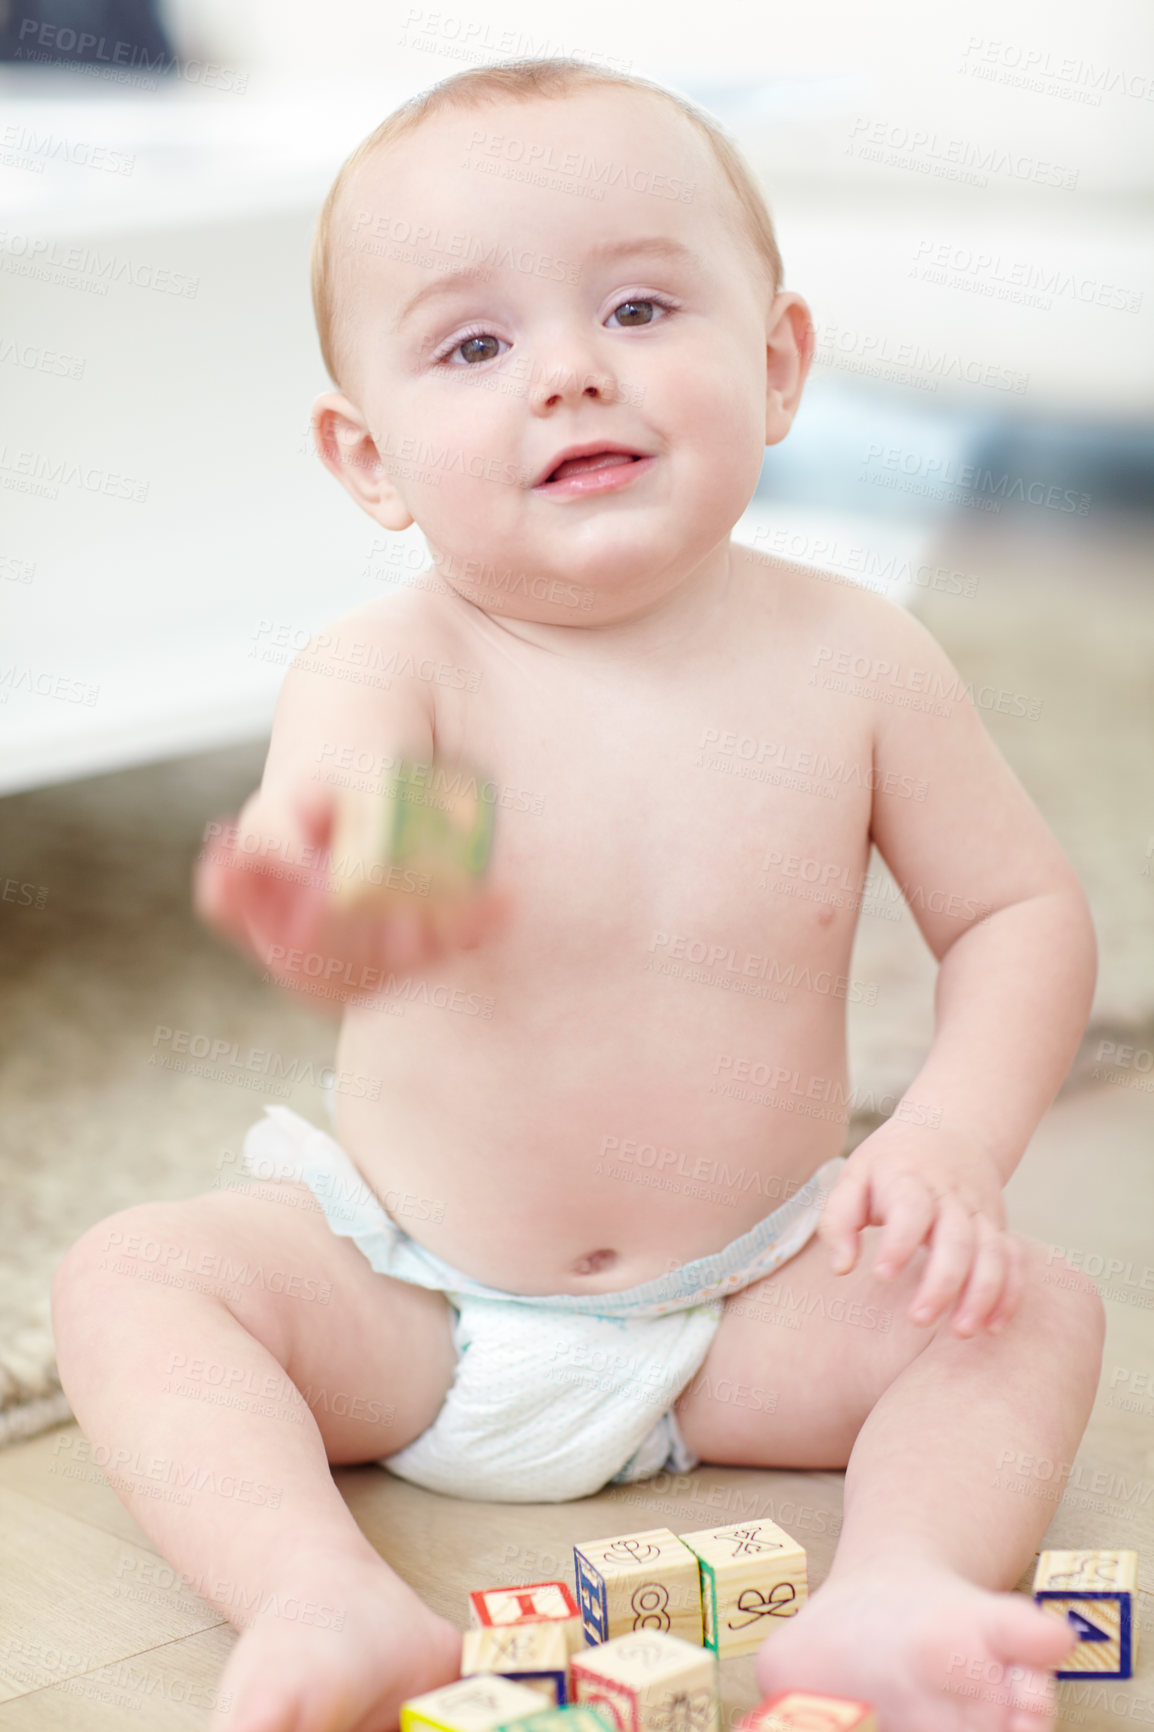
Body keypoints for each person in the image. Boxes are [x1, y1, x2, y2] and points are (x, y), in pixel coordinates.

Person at [52, 56, 1104, 1732]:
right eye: (474, 346)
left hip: (749, 1297)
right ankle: (317, 1597)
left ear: (775, 367)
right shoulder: (392, 666)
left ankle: (897, 1589)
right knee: (134, 1280)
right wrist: (339, 905)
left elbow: (1017, 916)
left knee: (1025, 1310)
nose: (567, 374)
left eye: (635, 306)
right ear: (370, 459)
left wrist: (952, 1143)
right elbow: (349, 890)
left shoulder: (857, 661)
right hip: (409, 1296)